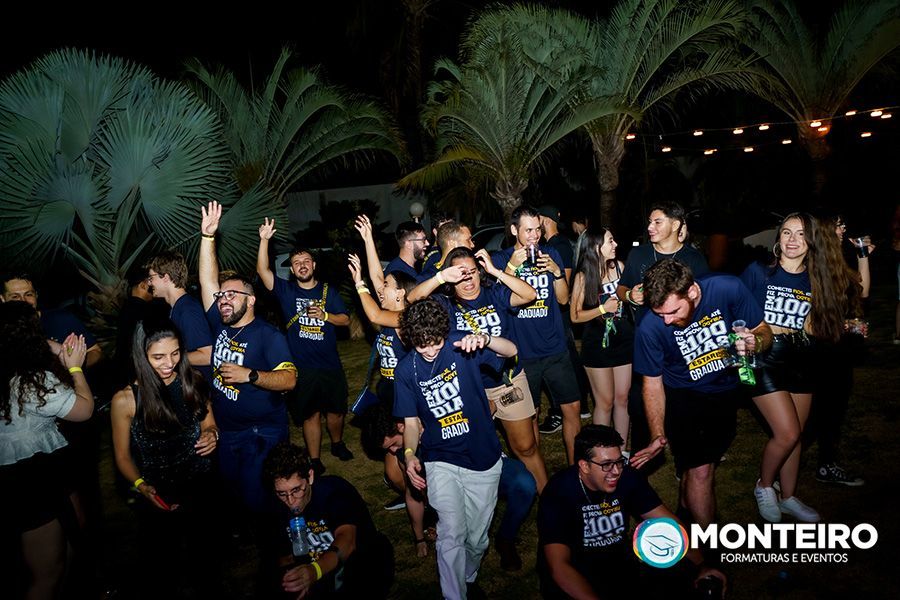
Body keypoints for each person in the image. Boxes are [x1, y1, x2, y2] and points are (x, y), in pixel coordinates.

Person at [630, 259, 772, 528]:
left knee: (701, 462)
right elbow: (652, 384)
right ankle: (710, 542)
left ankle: (685, 515)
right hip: (683, 396)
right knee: (701, 470)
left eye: (673, 311)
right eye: (660, 314)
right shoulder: (649, 327)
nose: (667, 320)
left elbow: (763, 330)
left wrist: (757, 342)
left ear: (693, 291)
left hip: (726, 390)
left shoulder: (728, 288)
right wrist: (658, 434)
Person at [395, 297, 516, 599]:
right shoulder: (405, 370)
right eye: (422, 345)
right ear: (411, 340)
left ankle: (467, 577)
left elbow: (512, 351)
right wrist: (409, 455)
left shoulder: (462, 344)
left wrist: (485, 339)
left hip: (483, 457)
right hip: (440, 458)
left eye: (436, 343)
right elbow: (411, 424)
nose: (430, 351)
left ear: (444, 333)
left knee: (477, 540)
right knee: (451, 534)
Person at [409, 246, 548, 495]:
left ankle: (548, 502)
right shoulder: (445, 303)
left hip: (507, 380)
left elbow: (530, 294)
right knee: (477, 449)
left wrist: (496, 271)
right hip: (470, 389)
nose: (468, 279)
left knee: (526, 447)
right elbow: (413, 300)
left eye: (472, 272)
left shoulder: (493, 292)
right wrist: (440, 277)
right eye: (461, 273)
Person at [537, 425, 725, 599]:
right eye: (606, 464)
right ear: (584, 466)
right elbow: (559, 566)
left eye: (619, 462)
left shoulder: (628, 478)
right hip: (575, 568)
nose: (616, 471)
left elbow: (670, 526)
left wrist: (702, 565)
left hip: (617, 562)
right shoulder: (559, 491)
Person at [109, 319, 221, 597]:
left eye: (175, 353)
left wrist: (212, 434)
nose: (169, 363)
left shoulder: (193, 380)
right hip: (158, 493)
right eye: (158, 357)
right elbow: (122, 456)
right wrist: (140, 485)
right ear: (142, 356)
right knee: (162, 567)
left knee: (206, 561)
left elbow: (209, 423)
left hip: (201, 485)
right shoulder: (126, 400)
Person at [198, 201, 297, 514]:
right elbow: (207, 280)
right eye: (221, 296)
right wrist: (207, 238)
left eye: (231, 295)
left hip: (262, 433)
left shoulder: (269, 336)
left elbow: (290, 379)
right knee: (235, 497)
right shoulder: (220, 324)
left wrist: (250, 375)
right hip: (227, 430)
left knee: (259, 501)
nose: (223, 300)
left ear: (251, 300)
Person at [0, 301, 93, 600]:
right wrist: (75, 367)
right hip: (31, 479)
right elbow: (84, 410)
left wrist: (57, 348)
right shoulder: (32, 381)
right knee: (48, 571)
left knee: (69, 544)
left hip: (33, 471)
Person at [741, 213, 823, 522]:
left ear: (811, 241)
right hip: (765, 357)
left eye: (800, 234)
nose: (792, 240)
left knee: (796, 434)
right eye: (787, 232)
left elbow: (815, 325)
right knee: (787, 433)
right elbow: (735, 309)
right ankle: (764, 486)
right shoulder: (759, 272)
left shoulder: (815, 279)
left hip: (802, 357)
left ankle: (788, 497)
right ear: (778, 239)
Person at [258, 218, 353, 475]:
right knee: (311, 413)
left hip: (330, 364)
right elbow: (263, 271)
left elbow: (345, 320)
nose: (302, 265)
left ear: (314, 265)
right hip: (303, 367)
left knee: (336, 411)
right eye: (297, 262)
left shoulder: (328, 292)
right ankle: (314, 458)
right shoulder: (286, 291)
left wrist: (325, 316)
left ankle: (337, 443)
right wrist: (264, 240)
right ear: (292, 269)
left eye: (306, 261)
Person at [492, 205, 582, 464]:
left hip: (555, 348)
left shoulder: (551, 253)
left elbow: (563, 300)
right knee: (530, 415)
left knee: (572, 408)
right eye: (528, 230)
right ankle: (538, 475)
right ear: (514, 230)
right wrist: (512, 266)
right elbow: (496, 300)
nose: (534, 236)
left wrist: (556, 272)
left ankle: (577, 470)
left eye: (538, 230)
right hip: (523, 354)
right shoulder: (501, 259)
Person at [262, 442, 393, 599]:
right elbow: (279, 557)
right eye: (282, 493)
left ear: (310, 476)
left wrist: (315, 570)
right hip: (313, 568)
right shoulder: (274, 506)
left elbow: (347, 540)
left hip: (360, 561)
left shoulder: (333, 492)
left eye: (296, 490)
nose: (290, 501)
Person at [807, 213, 867, 487]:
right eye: (839, 225)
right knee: (820, 414)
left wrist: (863, 255)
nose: (843, 229)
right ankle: (779, 470)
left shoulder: (837, 261)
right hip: (823, 352)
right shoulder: (815, 265)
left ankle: (825, 464)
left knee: (831, 411)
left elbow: (862, 292)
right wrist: (845, 325)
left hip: (839, 349)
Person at [570, 227, 633, 447]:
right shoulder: (583, 276)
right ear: (596, 247)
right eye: (610, 241)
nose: (615, 245)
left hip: (624, 340)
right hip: (597, 345)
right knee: (604, 402)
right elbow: (575, 316)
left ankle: (621, 451)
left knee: (622, 399)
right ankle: (603, 452)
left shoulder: (620, 267)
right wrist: (602, 309)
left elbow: (628, 298)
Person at [538, 203, 592, 424]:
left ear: (545, 219)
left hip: (560, 312)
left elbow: (565, 284)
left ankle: (581, 406)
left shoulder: (559, 245)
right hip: (552, 312)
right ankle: (565, 407)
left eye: (537, 220)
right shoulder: (549, 244)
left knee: (569, 359)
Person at [2, 273, 103, 367]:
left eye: (28, 294)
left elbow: (95, 352)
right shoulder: (4, 330)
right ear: (2, 299)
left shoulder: (61, 319)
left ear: (36, 295)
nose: (23, 301)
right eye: (15, 296)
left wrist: (75, 365)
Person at [145, 251, 215, 376]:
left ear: (165, 277)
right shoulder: (179, 307)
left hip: (202, 385)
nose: (149, 283)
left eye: (151, 278)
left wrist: (170, 359)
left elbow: (207, 355)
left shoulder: (188, 310)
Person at [115, 269, 167, 388]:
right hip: (138, 372)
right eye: (150, 281)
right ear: (143, 285)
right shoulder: (145, 311)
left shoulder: (126, 308)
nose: (153, 285)